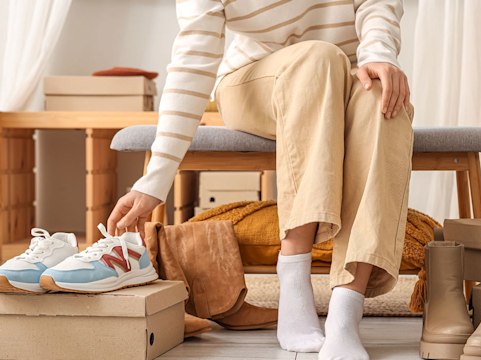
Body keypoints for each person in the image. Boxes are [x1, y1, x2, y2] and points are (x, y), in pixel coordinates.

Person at [107, 1, 413, 359]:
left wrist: (379, 52)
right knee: (318, 58)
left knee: (382, 96)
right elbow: (194, 58)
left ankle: (346, 310)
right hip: (255, 81)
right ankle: (294, 282)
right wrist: (155, 179)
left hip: (350, 75)